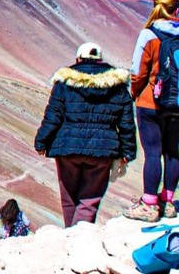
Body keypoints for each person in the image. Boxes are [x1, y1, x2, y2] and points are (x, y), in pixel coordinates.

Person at [34, 42, 137, 226]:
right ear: (100, 60)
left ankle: (70, 236)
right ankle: (78, 236)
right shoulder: (117, 84)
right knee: (89, 200)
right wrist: (128, 151)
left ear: (78, 59)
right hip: (103, 150)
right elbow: (126, 122)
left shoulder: (65, 82)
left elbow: (53, 115)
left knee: (69, 198)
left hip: (67, 149)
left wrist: (41, 142)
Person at [123, 0, 179, 222]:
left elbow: (137, 71)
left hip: (152, 103)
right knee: (172, 150)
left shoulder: (148, 35)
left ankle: (149, 205)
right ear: (177, 10)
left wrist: (134, 94)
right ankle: (168, 202)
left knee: (152, 153)